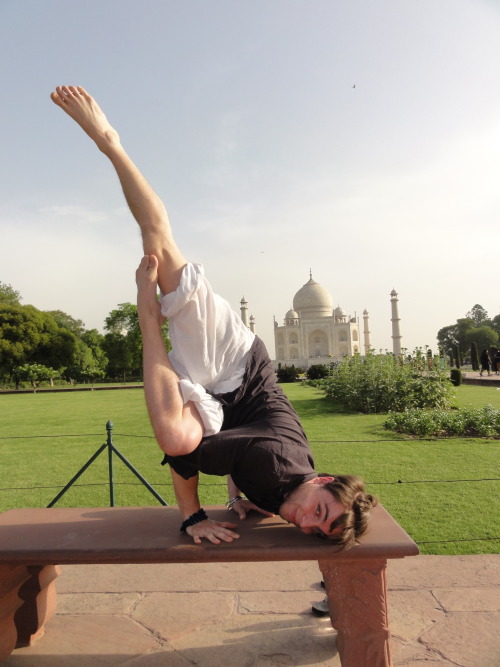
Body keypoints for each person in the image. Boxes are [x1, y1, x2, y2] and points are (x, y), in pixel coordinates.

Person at [51, 85, 377, 548]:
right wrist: (193, 517)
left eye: (318, 530)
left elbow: (246, 453)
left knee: (181, 432)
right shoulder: (279, 465)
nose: (307, 522)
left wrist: (242, 495)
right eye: (321, 512)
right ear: (322, 481)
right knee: (158, 242)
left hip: (225, 401)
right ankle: (110, 142)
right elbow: (185, 456)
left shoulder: (287, 486)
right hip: (232, 363)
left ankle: (153, 318)